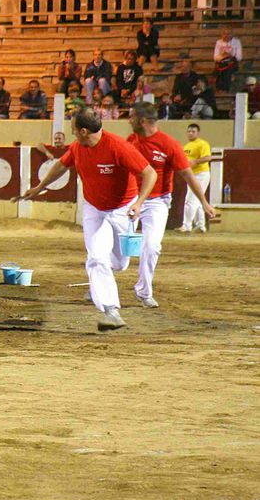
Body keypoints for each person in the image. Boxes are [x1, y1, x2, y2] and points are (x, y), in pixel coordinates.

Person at [15, 107, 157, 332]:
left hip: (122, 208)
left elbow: (150, 173)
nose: (72, 134)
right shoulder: (77, 147)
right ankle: (111, 311)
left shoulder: (119, 147)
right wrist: (40, 187)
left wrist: (139, 203)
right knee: (97, 258)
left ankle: (98, 283)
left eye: (73, 130)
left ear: (83, 131)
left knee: (120, 263)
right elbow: (62, 165)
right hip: (93, 208)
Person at [126, 102, 214, 308]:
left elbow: (188, 175)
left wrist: (204, 202)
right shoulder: (131, 140)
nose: (128, 121)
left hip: (157, 201)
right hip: (130, 198)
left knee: (151, 246)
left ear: (142, 121)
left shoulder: (169, 144)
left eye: (131, 117)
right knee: (117, 248)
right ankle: (101, 281)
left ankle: (144, 291)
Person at [180, 123, 213, 233]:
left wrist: (195, 161)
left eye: (193, 131)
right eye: (189, 131)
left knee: (190, 199)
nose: (190, 133)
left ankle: (186, 226)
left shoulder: (203, 144)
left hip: (201, 174)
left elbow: (208, 157)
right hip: (192, 175)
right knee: (197, 200)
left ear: (197, 133)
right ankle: (200, 225)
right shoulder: (186, 146)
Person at [213, 26, 242, 92]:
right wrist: (224, 56)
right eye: (224, 34)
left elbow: (239, 57)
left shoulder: (237, 42)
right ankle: (220, 89)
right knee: (219, 69)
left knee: (226, 70)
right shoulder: (218, 42)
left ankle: (225, 89)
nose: (226, 36)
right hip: (221, 62)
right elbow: (215, 57)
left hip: (232, 62)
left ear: (232, 35)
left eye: (228, 34)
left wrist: (230, 55)